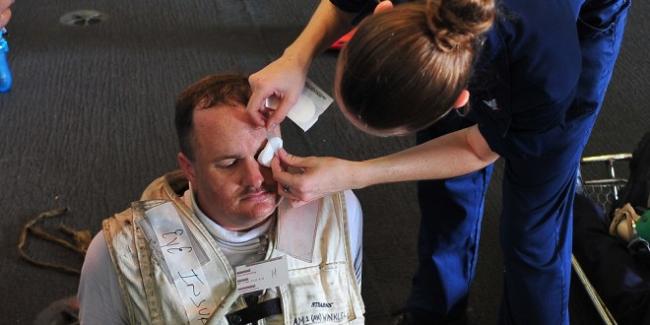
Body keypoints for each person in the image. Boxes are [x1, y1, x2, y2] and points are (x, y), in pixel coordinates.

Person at [247, 0, 630, 324]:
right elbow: (344, 3)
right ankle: (437, 314)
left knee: (533, 232)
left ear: (459, 101)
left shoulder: (546, 70)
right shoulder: (430, 32)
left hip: (567, 30)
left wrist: (357, 173)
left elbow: (478, 149)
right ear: (382, 9)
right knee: (444, 191)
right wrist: (295, 58)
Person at [77, 74, 365, 324]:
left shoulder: (336, 213)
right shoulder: (119, 254)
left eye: (263, 154)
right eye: (229, 163)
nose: (255, 178)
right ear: (189, 168)